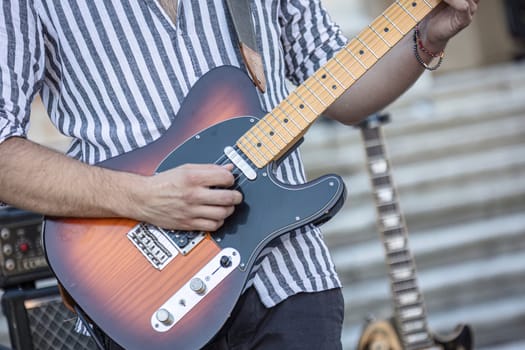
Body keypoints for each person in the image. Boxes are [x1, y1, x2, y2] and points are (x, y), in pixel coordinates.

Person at [0, 0, 478, 349]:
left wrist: (425, 38)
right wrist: (142, 197)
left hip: (287, 276)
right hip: (147, 290)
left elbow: (343, 89)